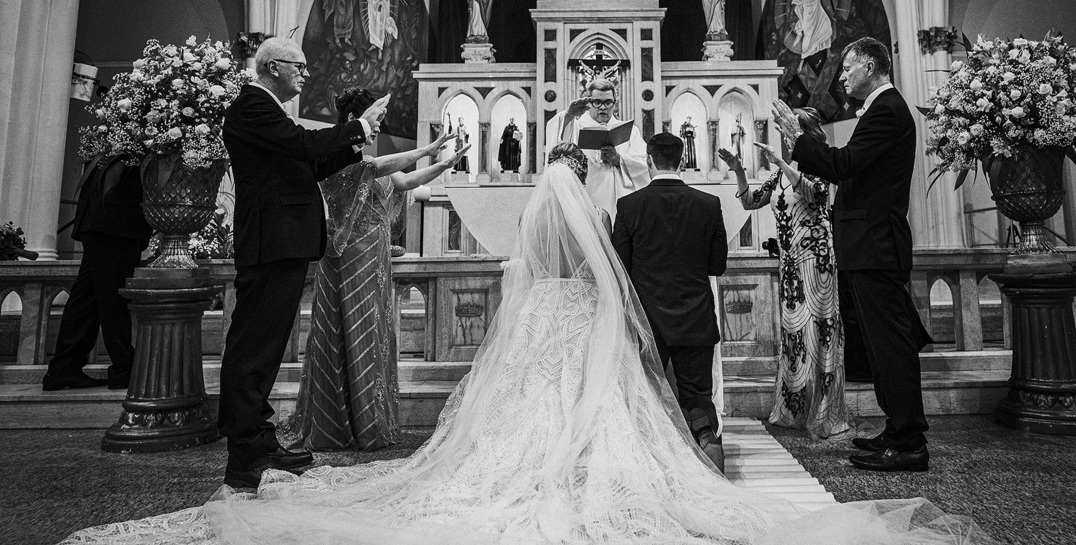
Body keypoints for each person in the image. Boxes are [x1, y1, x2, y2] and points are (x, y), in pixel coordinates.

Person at [61, 147, 992, 545]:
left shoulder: (550, 225)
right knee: (601, 407)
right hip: (589, 321)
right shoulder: (608, 214)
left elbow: (543, 269)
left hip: (539, 321)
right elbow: (609, 272)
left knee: (513, 412)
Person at [218, 37, 390, 490]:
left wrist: (356, 140)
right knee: (254, 347)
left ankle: (259, 438)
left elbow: (308, 165)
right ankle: (245, 452)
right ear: (273, 66)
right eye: (300, 67)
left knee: (267, 346)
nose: (306, 75)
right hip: (271, 242)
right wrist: (357, 127)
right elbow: (302, 144)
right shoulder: (252, 106)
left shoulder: (267, 110)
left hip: (282, 242)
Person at [781, 37, 933, 473]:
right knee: (881, 348)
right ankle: (897, 429)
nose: (842, 76)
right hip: (867, 245)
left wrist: (799, 140)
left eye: (848, 68)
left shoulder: (887, 109)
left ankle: (910, 441)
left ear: (870, 66)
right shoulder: (881, 109)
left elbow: (844, 164)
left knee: (892, 347)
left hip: (876, 244)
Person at [285, 88, 467, 452]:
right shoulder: (337, 160)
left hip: (375, 256)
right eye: (377, 119)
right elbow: (382, 168)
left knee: (374, 330)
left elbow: (406, 181)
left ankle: (367, 418)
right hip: (348, 257)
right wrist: (427, 149)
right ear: (357, 120)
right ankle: (344, 424)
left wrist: (444, 164)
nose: (380, 125)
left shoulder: (368, 160)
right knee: (354, 329)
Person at [718, 109, 851, 438]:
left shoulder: (819, 169)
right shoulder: (780, 174)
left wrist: (781, 163)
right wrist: (739, 170)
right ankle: (795, 408)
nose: (788, 140)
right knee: (794, 336)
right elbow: (751, 201)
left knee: (819, 334)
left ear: (806, 135)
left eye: (792, 133)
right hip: (790, 264)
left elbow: (815, 194)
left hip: (817, 262)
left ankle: (824, 412)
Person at [612, 132, 728, 472]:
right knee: (697, 395)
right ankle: (708, 453)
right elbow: (717, 265)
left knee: (645, 396)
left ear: (649, 160)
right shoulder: (708, 204)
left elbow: (620, 267)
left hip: (648, 321)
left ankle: (650, 466)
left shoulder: (629, 206)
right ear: (682, 160)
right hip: (696, 317)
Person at [41, 154, 152, 392]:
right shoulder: (129, 144)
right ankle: (124, 368)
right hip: (115, 221)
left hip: (103, 220)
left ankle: (64, 368)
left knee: (87, 299)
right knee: (113, 300)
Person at [544, 77, 649, 220]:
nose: (603, 107)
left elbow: (645, 165)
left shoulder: (630, 132)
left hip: (620, 202)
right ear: (589, 103)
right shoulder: (576, 127)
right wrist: (568, 115)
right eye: (597, 102)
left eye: (608, 102)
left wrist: (619, 160)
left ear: (615, 103)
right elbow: (557, 150)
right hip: (586, 199)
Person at [785, 0, 834, 76]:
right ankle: (802, 61)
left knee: (826, 25)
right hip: (807, 11)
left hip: (817, 7)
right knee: (808, 35)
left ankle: (828, 52)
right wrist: (792, 10)